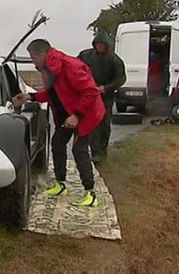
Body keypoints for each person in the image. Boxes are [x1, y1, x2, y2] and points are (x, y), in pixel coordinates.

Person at [14, 39, 105, 207]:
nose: (32, 61)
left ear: (42, 54)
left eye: (33, 57)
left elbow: (91, 92)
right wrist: (30, 97)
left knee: (79, 149)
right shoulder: (49, 69)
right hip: (68, 115)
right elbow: (53, 94)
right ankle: (61, 184)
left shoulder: (70, 66)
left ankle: (90, 193)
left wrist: (77, 115)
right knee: (57, 143)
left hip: (86, 114)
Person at [77, 31, 126, 163]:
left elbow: (120, 79)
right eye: (98, 44)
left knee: (103, 125)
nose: (100, 47)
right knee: (90, 124)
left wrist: (105, 88)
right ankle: (92, 152)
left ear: (107, 45)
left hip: (106, 97)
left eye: (103, 45)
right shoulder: (85, 55)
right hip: (89, 95)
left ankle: (101, 151)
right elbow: (76, 69)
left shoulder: (115, 60)